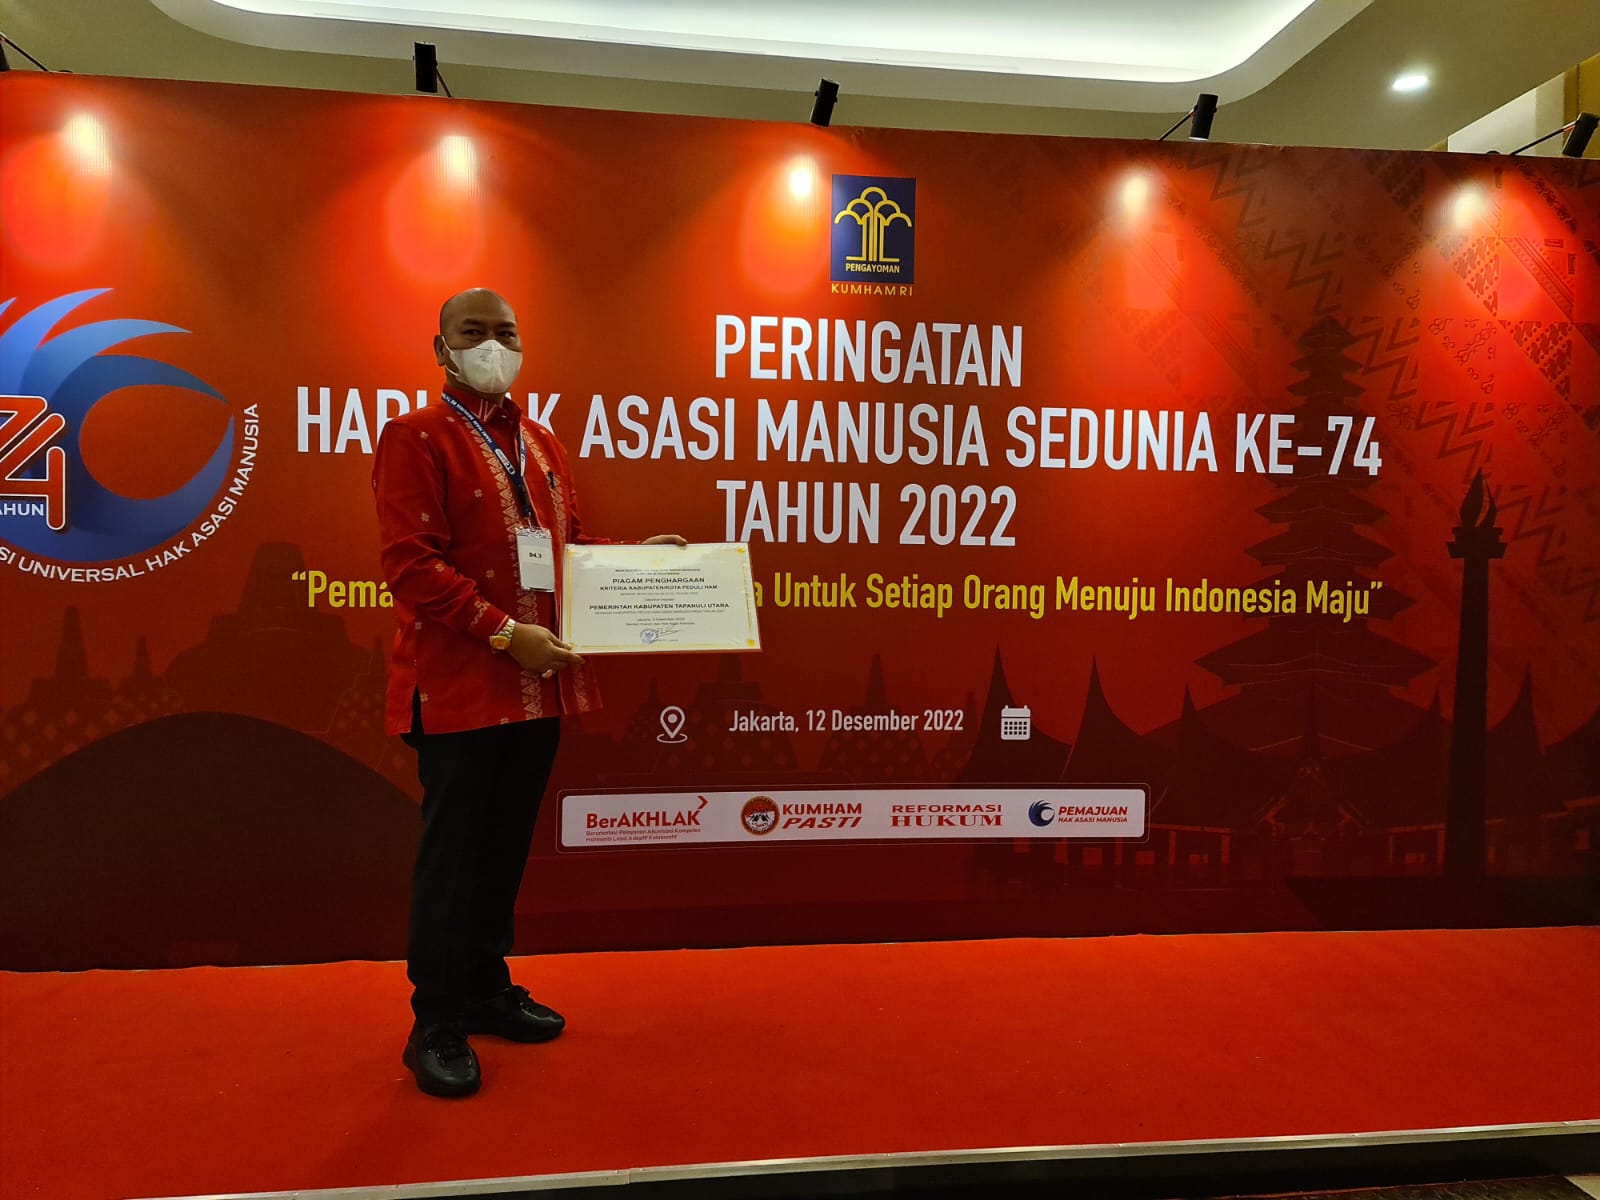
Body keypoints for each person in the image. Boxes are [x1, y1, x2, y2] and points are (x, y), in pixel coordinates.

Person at [373, 287, 683, 1098]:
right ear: (441, 348)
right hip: (458, 688)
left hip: (539, 688)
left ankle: (484, 988)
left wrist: (636, 563)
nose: (491, 346)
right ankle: (436, 1023)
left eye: (505, 332)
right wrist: (509, 635)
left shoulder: (539, 441)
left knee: (504, 848)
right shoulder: (415, 436)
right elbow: (412, 565)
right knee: (453, 858)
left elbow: (566, 547)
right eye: (472, 332)